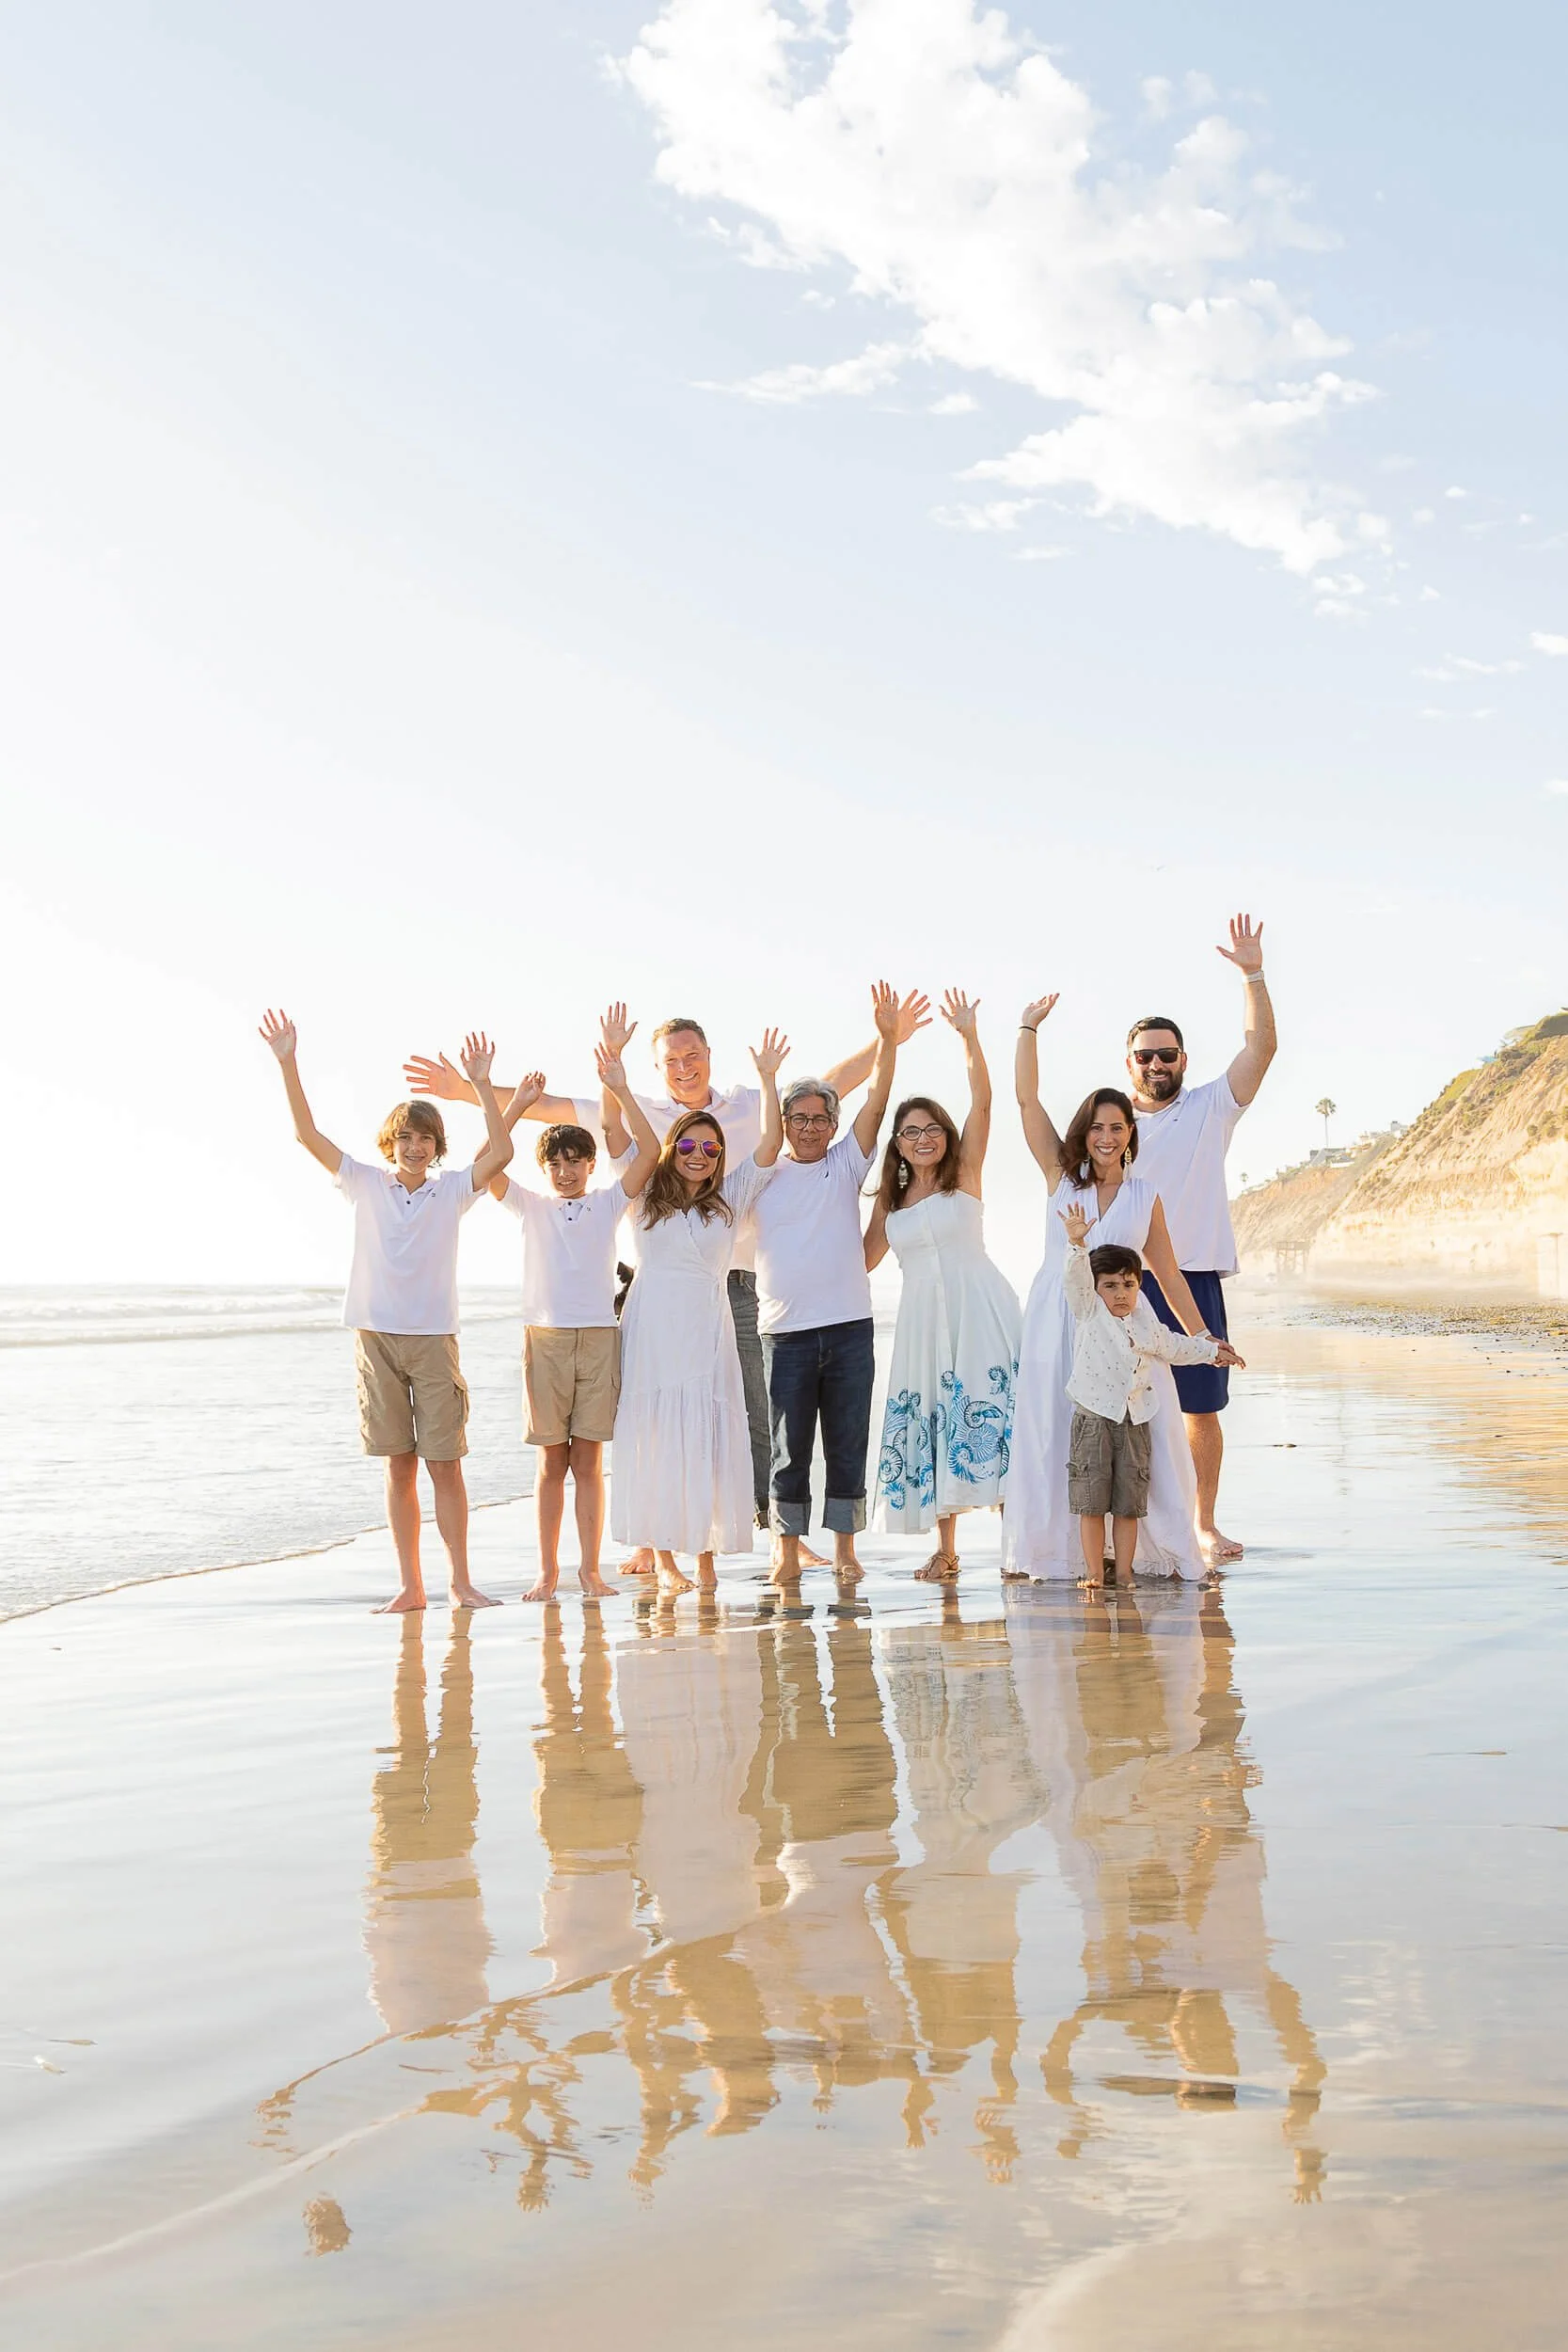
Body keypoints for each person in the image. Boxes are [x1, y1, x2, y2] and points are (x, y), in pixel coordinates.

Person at [401, 996, 931, 1555]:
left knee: (752, 1412)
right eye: (672, 1060)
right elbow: (556, 1108)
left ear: (708, 1055)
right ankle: (657, 1542)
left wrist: (887, 1040)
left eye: (693, 1054)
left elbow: (827, 1089)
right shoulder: (643, 1114)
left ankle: (772, 1534)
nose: (684, 1066)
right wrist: (464, 1089)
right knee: (653, 1410)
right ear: (657, 1068)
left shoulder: (751, 1104)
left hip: (743, 1282)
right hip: (659, 1288)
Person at [258, 1009, 514, 1613]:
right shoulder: (366, 1183)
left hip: (431, 1339)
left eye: (425, 1138)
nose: (416, 1146)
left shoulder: (452, 1190)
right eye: (406, 1138)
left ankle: (460, 1581)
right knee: (399, 1467)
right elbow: (306, 1135)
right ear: (390, 1144)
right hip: (375, 1338)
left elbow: (501, 1149)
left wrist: (480, 1083)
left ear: (437, 1146)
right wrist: (288, 1061)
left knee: (445, 1464)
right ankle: (411, 1585)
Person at [1004, 997, 1219, 1582]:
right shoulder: (1058, 1175)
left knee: (1140, 1435)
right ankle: (1062, 1552)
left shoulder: (1145, 1195)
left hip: (1124, 1330)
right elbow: (1026, 1099)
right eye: (1096, 1126)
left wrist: (1203, 1336)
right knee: (1057, 1430)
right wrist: (1028, 1029)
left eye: (1117, 1127)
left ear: (1130, 1134)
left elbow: (1169, 1274)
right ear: (1084, 1132)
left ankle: (1140, 1552)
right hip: (1058, 1318)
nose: (1105, 1136)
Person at [1121, 914, 1275, 1563]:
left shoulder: (1211, 1104)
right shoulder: (1109, 1123)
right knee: (1120, 1410)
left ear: (1182, 1060)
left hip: (1195, 1276)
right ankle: (1127, 1530)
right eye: (1144, 1056)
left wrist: (1253, 974)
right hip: (1123, 1286)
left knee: (1198, 1410)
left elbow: (1261, 1048)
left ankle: (1203, 1524)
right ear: (1127, 1063)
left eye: (1166, 1054)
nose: (1155, 1063)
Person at [610, 1030, 788, 1596]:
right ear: (672, 1150)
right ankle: (665, 1560)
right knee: (659, 1438)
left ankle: (706, 1563)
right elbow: (635, 1139)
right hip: (653, 1328)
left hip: (706, 1330)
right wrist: (615, 1079)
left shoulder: (729, 1198)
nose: (700, 1155)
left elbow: (768, 1144)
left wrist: (766, 1077)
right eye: (688, 1147)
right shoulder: (644, 1194)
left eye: (711, 1148)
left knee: (711, 1440)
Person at [490, 1028, 661, 1602]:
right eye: (557, 1163)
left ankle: (590, 1571)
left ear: (591, 1165)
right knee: (550, 1464)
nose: (566, 1171)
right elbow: (488, 1165)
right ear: (546, 1169)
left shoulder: (608, 1201)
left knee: (588, 1460)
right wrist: (512, 1109)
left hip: (598, 1336)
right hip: (545, 1337)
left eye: (576, 1161)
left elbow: (652, 1154)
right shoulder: (529, 1205)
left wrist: (619, 1086)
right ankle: (547, 1572)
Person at [863, 990, 1022, 1582]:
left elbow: (984, 1099)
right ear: (897, 1144)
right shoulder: (892, 1199)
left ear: (946, 1135)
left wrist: (969, 1037)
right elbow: (863, 1261)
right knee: (935, 1418)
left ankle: (1017, 1545)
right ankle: (946, 1548)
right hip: (923, 1322)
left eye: (931, 1129)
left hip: (980, 1307)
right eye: (910, 1132)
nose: (922, 1138)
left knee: (994, 1412)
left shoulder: (967, 1173)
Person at [754, 982, 904, 1587]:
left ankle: (845, 1549)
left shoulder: (846, 1161)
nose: (811, 1128)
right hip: (784, 1334)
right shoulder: (763, 1172)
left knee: (848, 1441)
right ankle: (786, 1552)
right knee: (790, 1452)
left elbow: (879, 1098)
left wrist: (889, 1040)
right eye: (799, 1119)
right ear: (784, 1122)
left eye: (821, 1119)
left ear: (834, 1123)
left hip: (847, 1327)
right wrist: (769, 1082)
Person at [1060, 1200, 1242, 1589]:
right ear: (1096, 1289)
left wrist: (1213, 1351)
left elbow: (1176, 1346)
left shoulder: (1147, 1323)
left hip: (1135, 1421)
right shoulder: (1089, 1311)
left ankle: (1124, 1573)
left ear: (1139, 1286)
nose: (1120, 1293)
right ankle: (1094, 1573)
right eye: (1110, 1285)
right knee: (1091, 1504)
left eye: (1128, 1284)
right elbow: (1076, 1280)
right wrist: (1077, 1245)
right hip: (1093, 1420)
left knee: (1129, 1506)